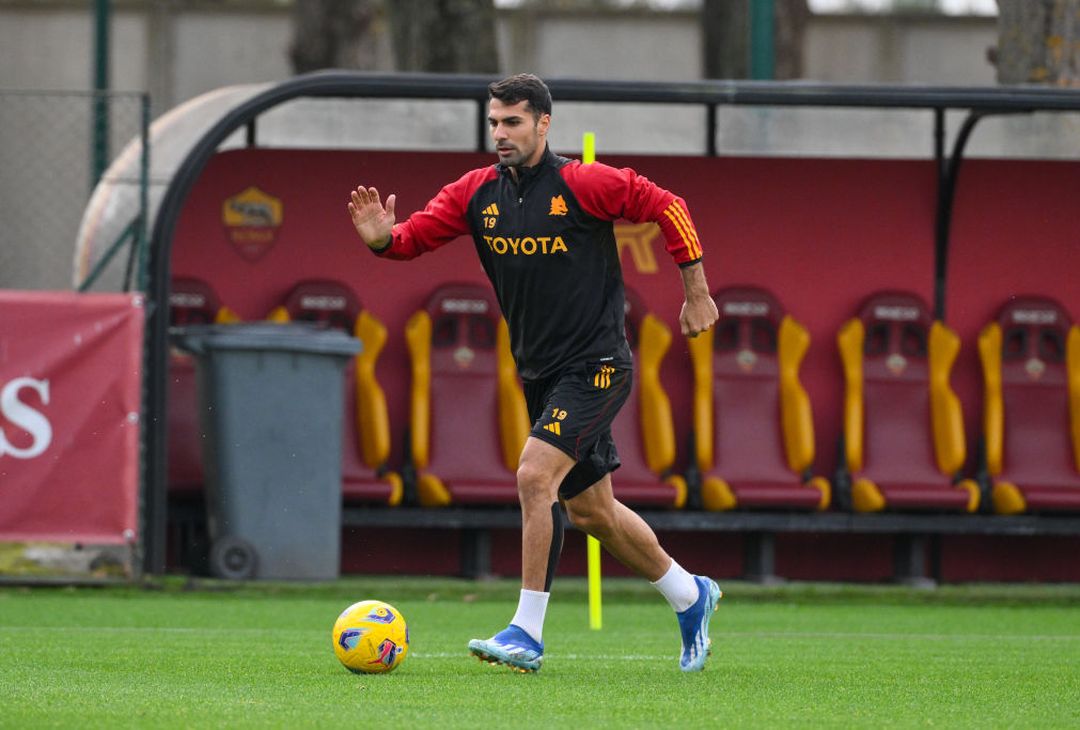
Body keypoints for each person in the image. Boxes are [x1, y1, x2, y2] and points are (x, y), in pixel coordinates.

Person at [347, 73, 721, 674]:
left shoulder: (584, 183)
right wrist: (380, 242)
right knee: (593, 511)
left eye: (513, 121)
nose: (500, 132)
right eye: (494, 121)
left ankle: (526, 630)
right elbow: (412, 238)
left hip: (597, 365)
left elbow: (668, 207)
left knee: (532, 476)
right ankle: (689, 594)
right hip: (540, 373)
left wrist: (696, 293)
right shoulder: (475, 192)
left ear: (543, 124)